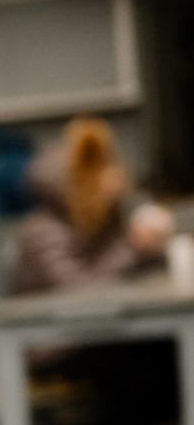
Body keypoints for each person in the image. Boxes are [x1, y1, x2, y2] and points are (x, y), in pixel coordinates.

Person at [9, 115, 170, 294]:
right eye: (101, 169)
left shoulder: (103, 217)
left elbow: (132, 271)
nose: (113, 176)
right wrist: (133, 247)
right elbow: (81, 292)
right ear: (77, 184)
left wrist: (151, 247)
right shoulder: (45, 232)